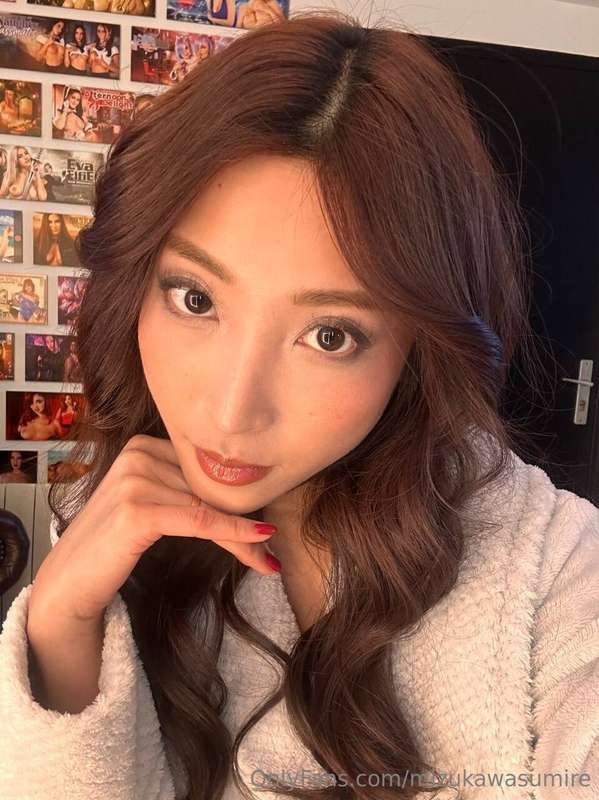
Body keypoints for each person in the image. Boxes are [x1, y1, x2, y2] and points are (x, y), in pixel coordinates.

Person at [0, 10, 597, 800]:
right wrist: (61, 623)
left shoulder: (556, 568)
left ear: (416, 345)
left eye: (329, 335)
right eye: (194, 298)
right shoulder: (108, 519)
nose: (230, 412)